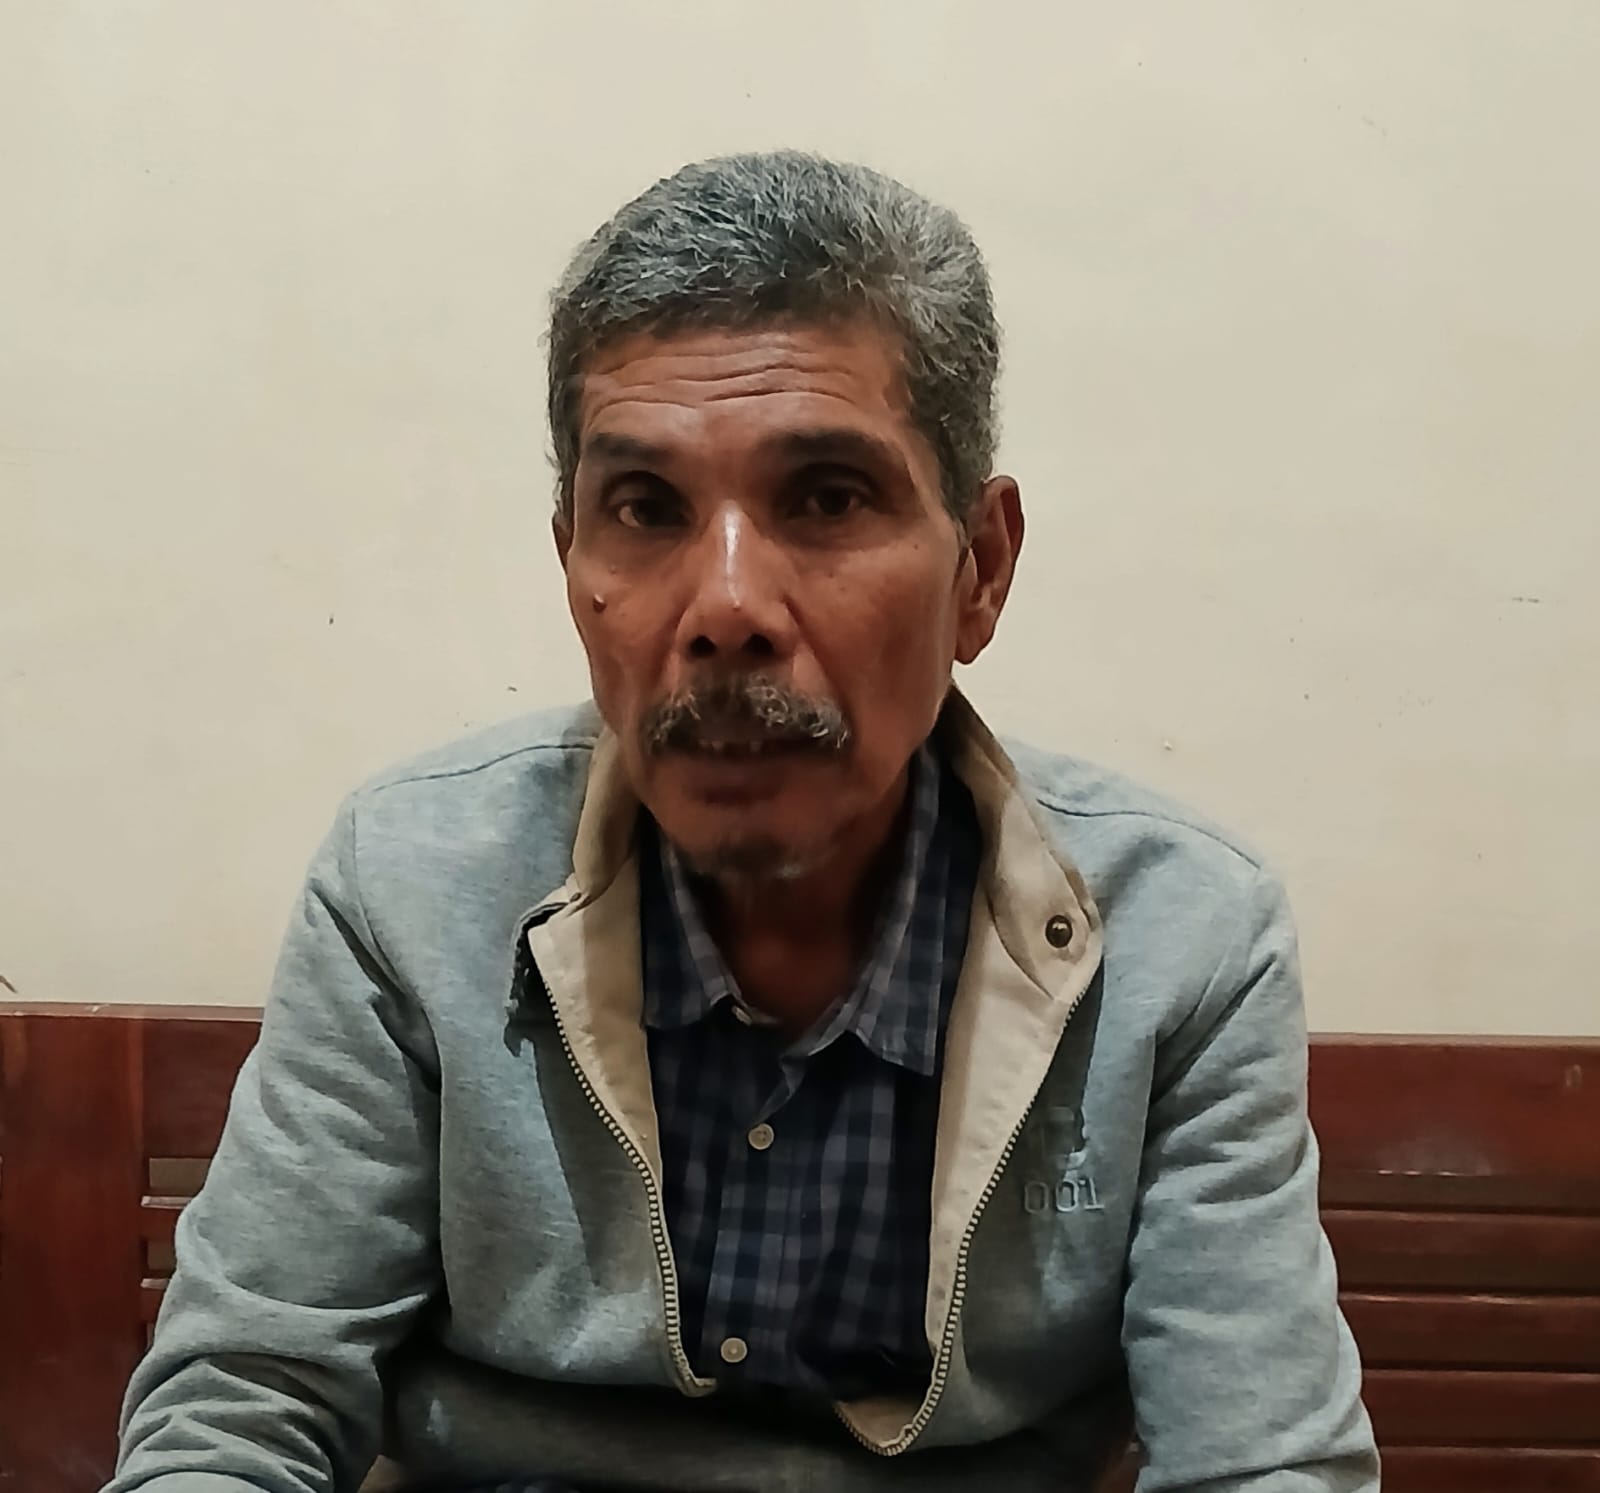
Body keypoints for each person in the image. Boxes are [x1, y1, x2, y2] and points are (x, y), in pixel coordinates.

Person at [109, 151, 1378, 1493]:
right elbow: (241, 1408)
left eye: (827, 498)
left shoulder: (1180, 936)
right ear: (570, 559)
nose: (725, 607)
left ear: (981, 569)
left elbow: (1264, 1466)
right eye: (645, 509)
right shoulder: (414, 883)